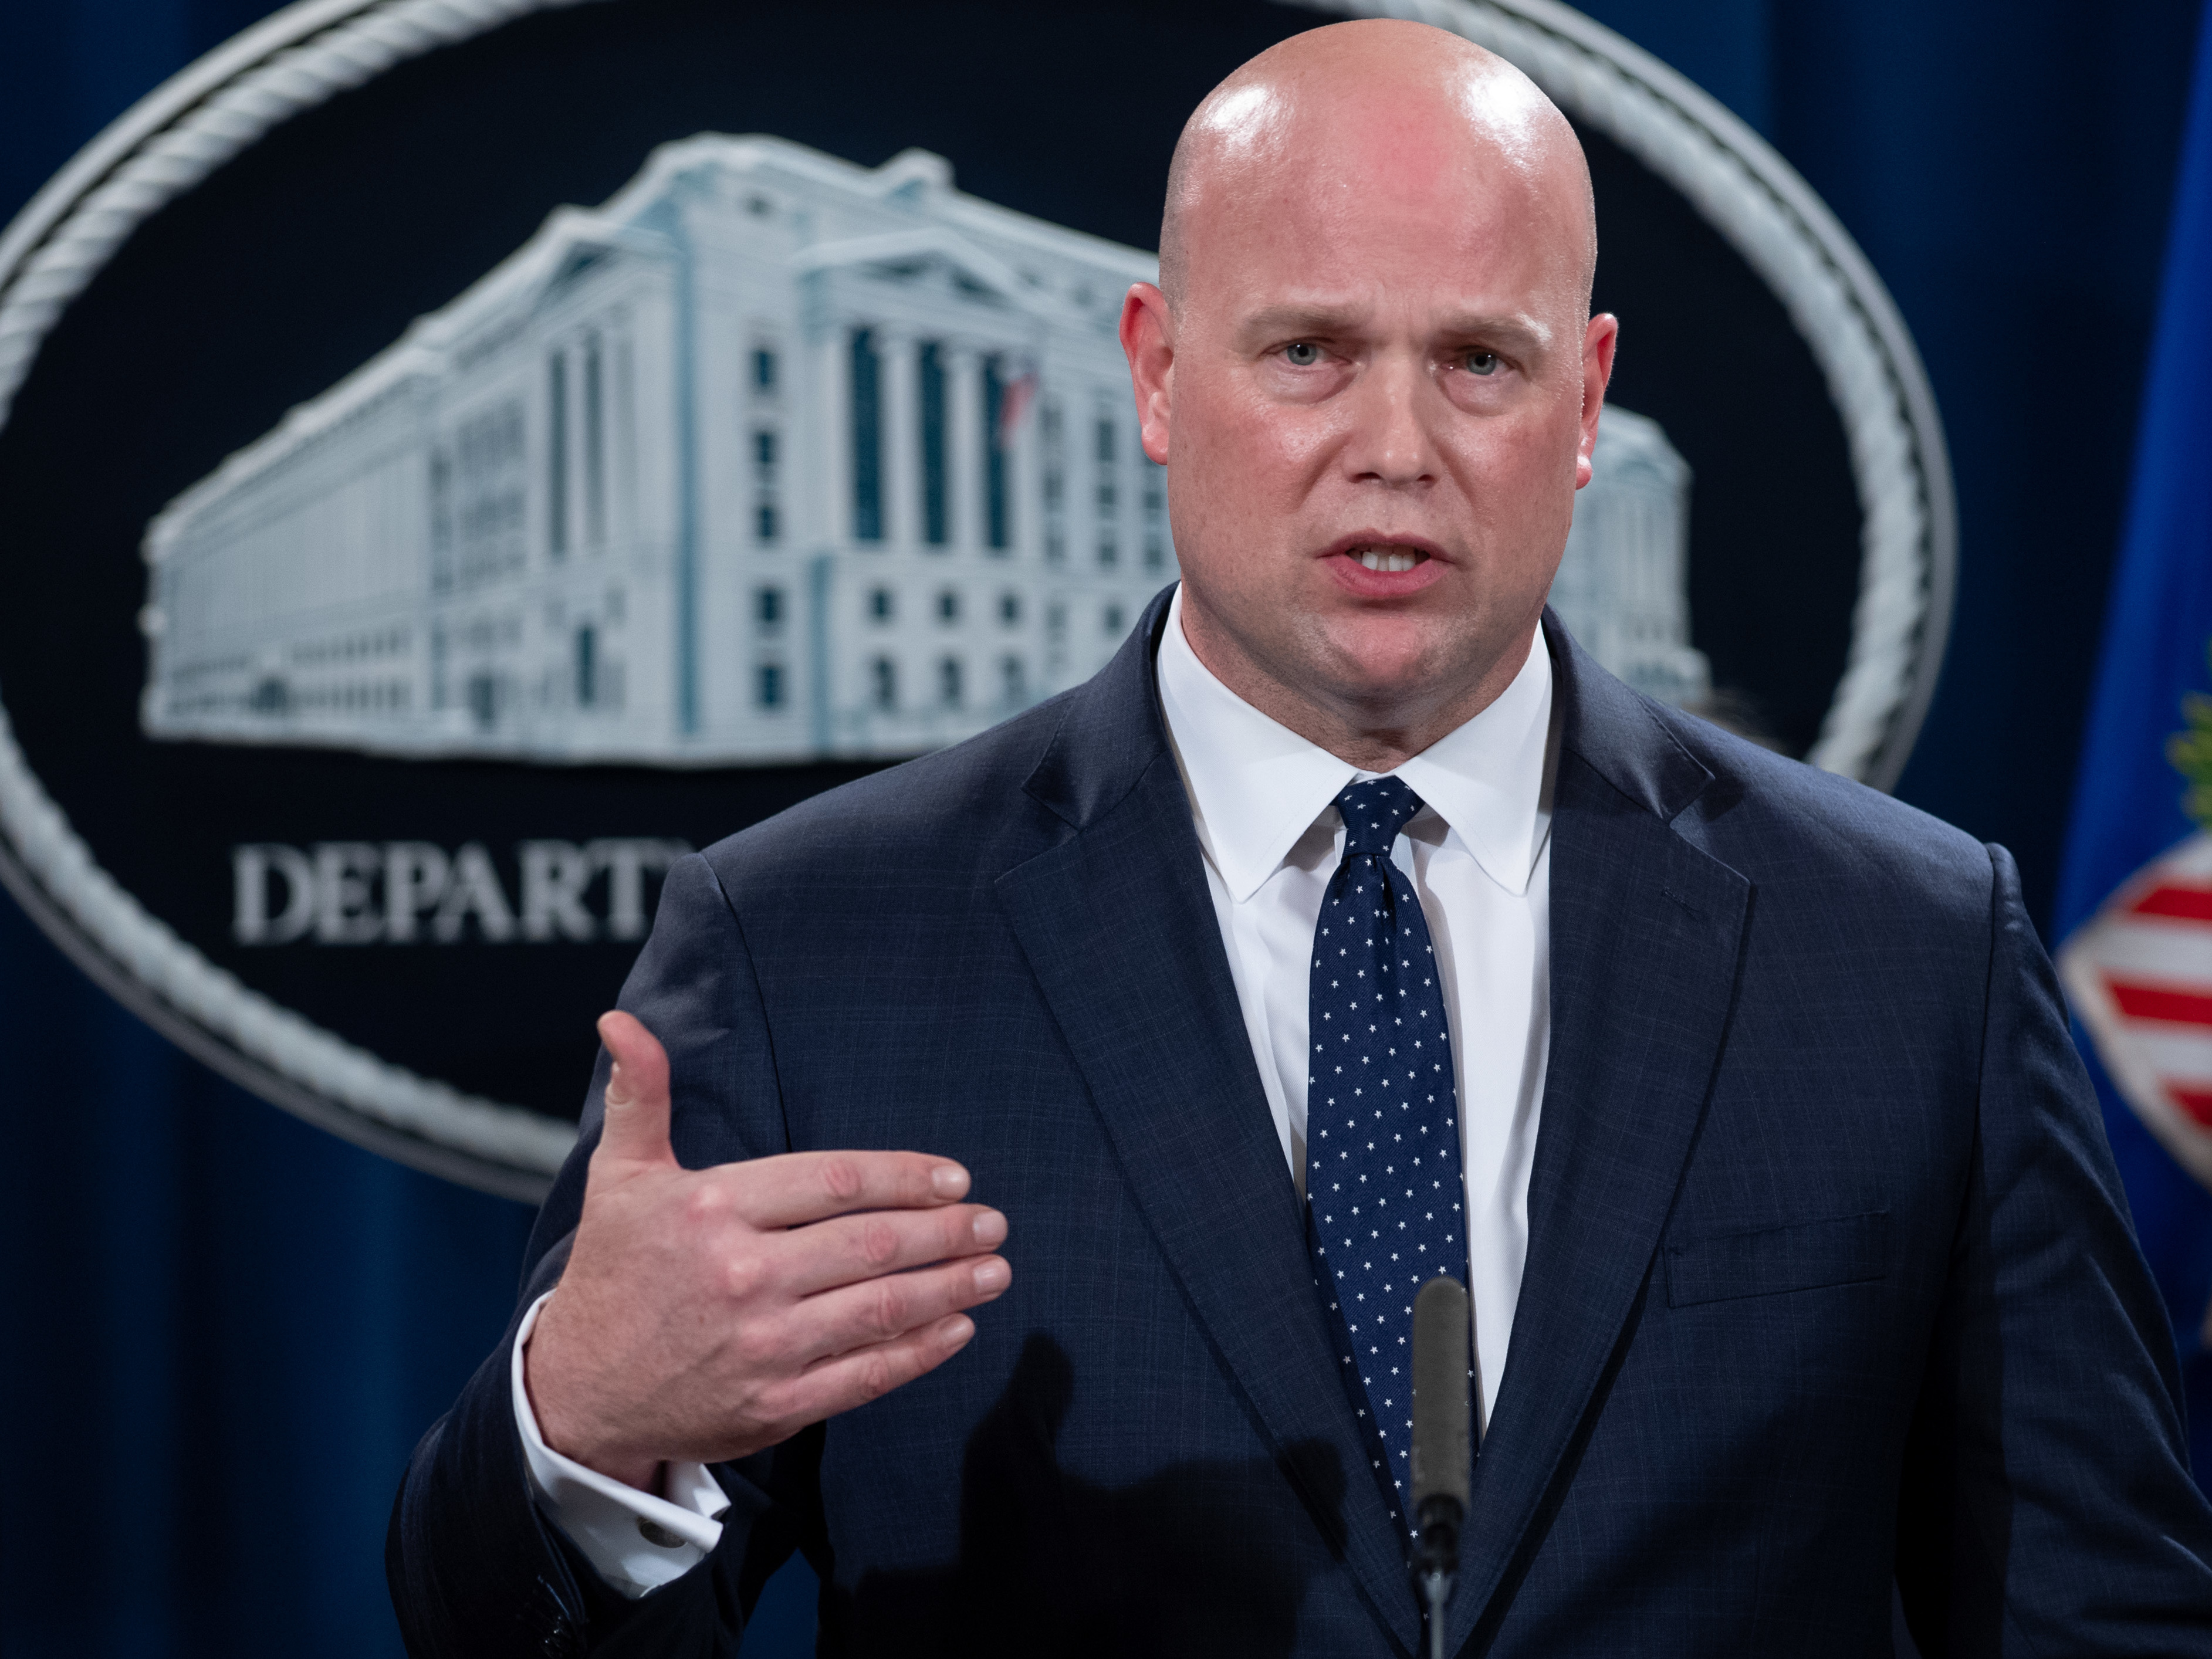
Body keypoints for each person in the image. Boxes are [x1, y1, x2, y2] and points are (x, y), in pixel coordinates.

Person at [388, 20, 2212, 1657]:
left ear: (1583, 403)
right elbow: (492, 1630)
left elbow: (2095, 1607)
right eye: (1310, 352)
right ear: (1159, 374)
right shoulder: (809, 947)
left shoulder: (1902, 941)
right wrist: (589, 1426)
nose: (1393, 445)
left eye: (1478, 364)